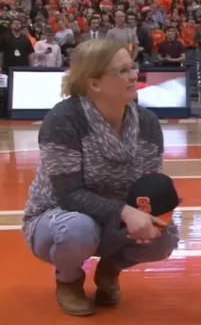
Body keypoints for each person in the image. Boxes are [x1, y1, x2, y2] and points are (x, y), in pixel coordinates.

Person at [21, 39, 179, 317]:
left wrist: (157, 211)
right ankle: (68, 280)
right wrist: (125, 212)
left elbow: (149, 185)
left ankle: (110, 269)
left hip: (116, 220)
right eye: (122, 71)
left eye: (133, 67)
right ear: (94, 83)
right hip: (56, 217)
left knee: (165, 237)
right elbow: (68, 194)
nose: (133, 76)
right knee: (77, 229)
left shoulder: (149, 123)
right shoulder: (64, 120)